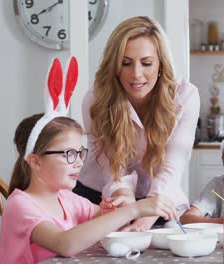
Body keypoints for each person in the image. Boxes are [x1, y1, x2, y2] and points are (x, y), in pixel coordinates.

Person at [73, 16, 200, 231]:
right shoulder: (96, 100)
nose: (136, 74)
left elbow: (174, 163)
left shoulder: (185, 97)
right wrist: (124, 200)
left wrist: (145, 218)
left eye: (147, 63)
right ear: (114, 66)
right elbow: (110, 164)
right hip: (101, 196)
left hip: (160, 198)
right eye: (126, 63)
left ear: (161, 63)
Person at [0, 113, 178, 263]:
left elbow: (102, 222)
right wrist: (134, 210)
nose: (79, 163)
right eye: (69, 154)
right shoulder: (20, 206)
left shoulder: (66, 198)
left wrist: (114, 211)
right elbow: (64, 244)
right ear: (36, 161)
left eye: (80, 153)